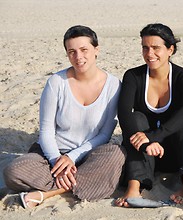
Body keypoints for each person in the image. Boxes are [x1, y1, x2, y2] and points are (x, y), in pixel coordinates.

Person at [3, 25, 126, 208]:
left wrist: (72, 158)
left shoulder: (113, 85)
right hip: (52, 155)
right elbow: (46, 131)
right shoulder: (56, 83)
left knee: (117, 154)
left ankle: (48, 193)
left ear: (96, 50)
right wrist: (57, 162)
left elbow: (105, 134)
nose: (79, 57)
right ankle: (81, 184)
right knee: (13, 171)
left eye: (84, 50)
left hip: (90, 155)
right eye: (72, 52)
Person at [115, 23, 183, 207]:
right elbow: (124, 113)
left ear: (170, 49)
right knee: (137, 119)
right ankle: (134, 186)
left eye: (156, 48)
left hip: (177, 153)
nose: (149, 54)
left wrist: (153, 137)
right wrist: (145, 144)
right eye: (145, 47)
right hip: (145, 156)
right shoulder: (133, 76)